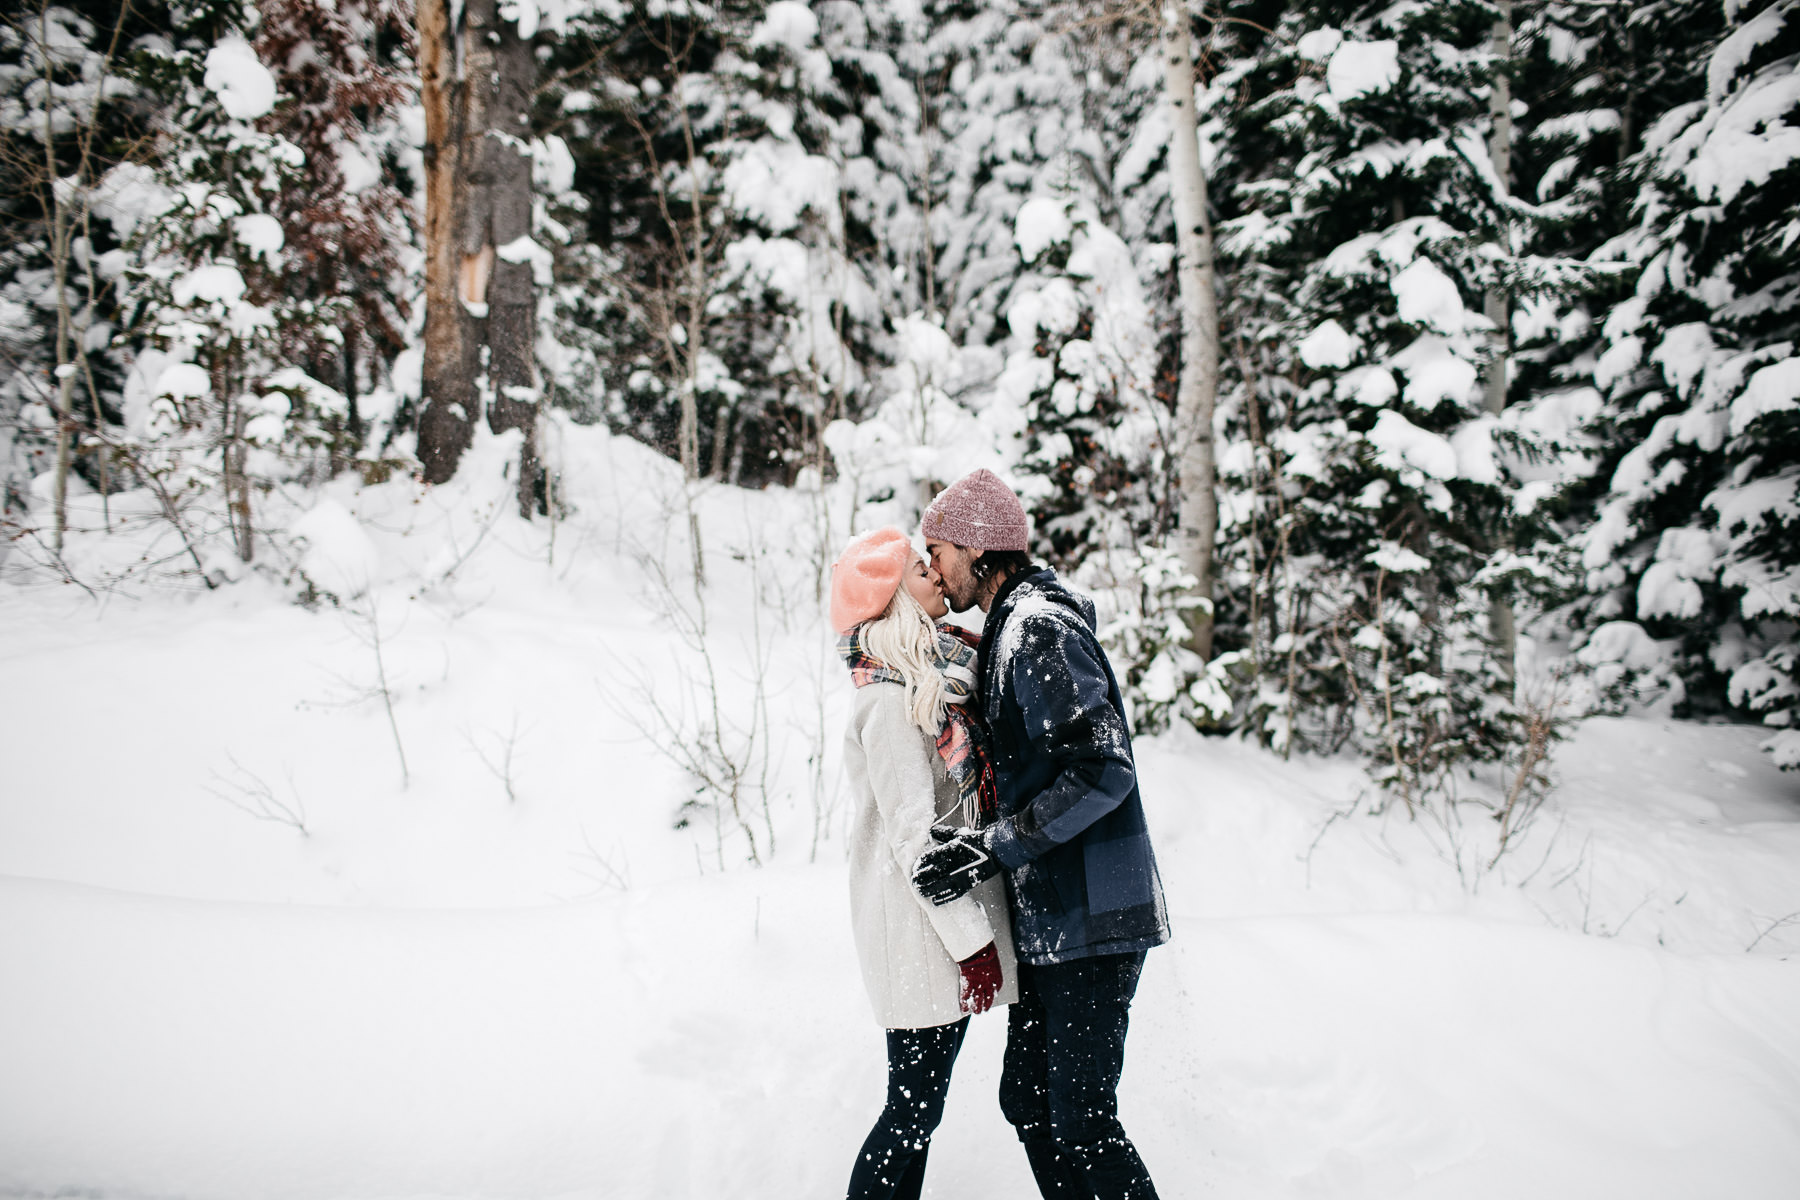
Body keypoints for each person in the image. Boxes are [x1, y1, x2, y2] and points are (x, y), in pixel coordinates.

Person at [911, 468, 1171, 1200]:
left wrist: (993, 846)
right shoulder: (1011, 631)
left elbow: (1101, 770)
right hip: (1057, 917)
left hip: (1092, 915)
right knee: (1030, 1103)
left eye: (938, 551)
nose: (932, 567)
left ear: (977, 548)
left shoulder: (1038, 629)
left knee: (1081, 1121)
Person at [831, 526, 1019, 1200]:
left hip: (931, 930)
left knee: (918, 1113)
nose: (937, 576)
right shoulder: (886, 700)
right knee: (912, 1112)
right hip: (916, 932)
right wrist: (973, 945)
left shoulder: (932, 680)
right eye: (918, 571)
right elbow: (915, 837)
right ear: (890, 603)